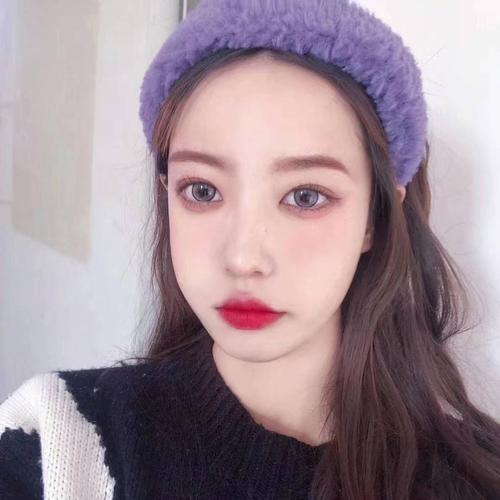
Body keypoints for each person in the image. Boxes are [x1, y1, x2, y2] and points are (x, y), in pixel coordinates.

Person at [1, 0, 500, 498]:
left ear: (376, 217)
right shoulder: (56, 439)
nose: (243, 259)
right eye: (202, 191)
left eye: (306, 197)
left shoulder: (477, 476)